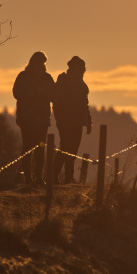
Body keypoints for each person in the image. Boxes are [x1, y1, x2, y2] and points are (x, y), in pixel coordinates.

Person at [12, 51, 54, 185]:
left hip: (42, 121)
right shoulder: (23, 76)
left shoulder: (47, 78)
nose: (42, 65)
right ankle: (28, 178)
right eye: (39, 62)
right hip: (27, 120)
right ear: (33, 63)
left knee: (40, 147)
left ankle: (38, 177)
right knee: (27, 147)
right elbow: (16, 93)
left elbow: (54, 95)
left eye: (43, 63)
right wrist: (34, 94)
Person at [51, 55, 92, 184]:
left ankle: (69, 177)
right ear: (74, 69)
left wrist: (88, 122)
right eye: (82, 69)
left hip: (77, 122)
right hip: (66, 121)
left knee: (73, 149)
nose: (83, 71)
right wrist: (60, 120)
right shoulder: (63, 82)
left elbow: (85, 105)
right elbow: (57, 104)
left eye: (84, 69)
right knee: (65, 147)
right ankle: (55, 175)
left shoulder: (81, 85)